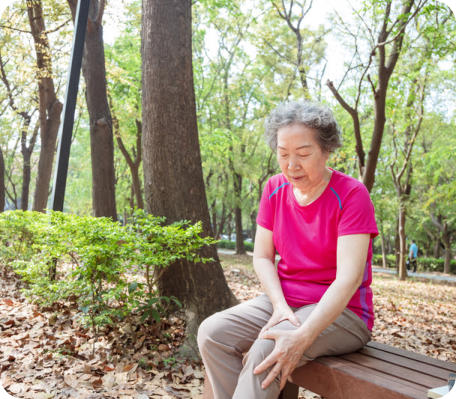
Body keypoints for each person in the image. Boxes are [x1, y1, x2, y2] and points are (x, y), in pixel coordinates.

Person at [198, 101, 378, 399]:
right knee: (212, 333)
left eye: (304, 154)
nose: (292, 165)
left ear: (327, 150)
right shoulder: (274, 188)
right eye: (283, 154)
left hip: (344, 313)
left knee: (267, 350)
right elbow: (262, 256)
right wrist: (279, 306)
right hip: (285, 302)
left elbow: (348, 279)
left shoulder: (352, 195)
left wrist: (302, 337)